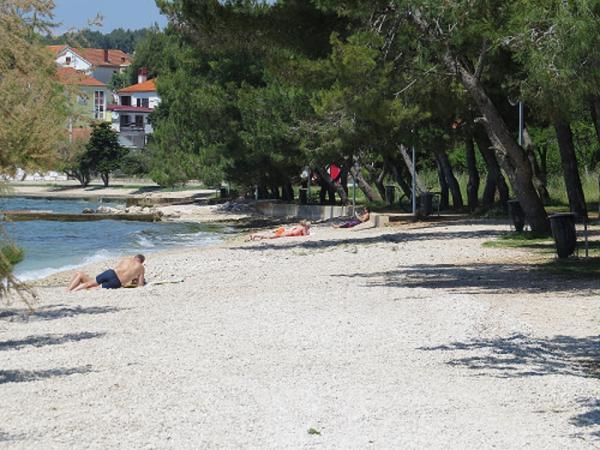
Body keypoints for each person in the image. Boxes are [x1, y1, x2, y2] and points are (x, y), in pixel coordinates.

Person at [68, 254, 146, 292]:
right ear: (141, 262)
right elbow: (140, 284)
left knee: (89, 284)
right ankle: (74, 291)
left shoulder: (127, 260)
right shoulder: (141, 268)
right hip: (117, 281)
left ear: (134, 258)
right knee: (95, 288)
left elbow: (118, 268)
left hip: (110, 272)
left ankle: (70, 291)